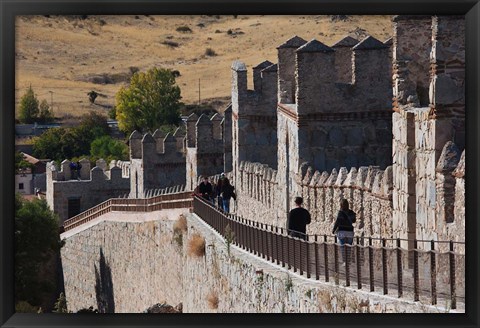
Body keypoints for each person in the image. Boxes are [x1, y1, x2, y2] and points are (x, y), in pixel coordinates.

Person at [332, 199, 356, 264]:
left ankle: (344, 261)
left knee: (343, 247)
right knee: (349, 247)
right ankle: (348, 260)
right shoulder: (351, 212)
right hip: (350, 231)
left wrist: (334, 230)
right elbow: (354, 221)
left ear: (341, 205)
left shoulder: (341, 212)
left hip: (342, 231)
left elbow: (337, 222)